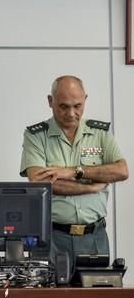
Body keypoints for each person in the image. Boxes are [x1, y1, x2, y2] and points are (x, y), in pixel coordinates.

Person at [20, 75, 129, 264]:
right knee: (50, 294)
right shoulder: (36, 135)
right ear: (50, 101)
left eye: (77, 106)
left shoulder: (100, 133)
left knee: (96, 293)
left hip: (94, 237)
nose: (71, 113)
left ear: (85, 99)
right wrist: (90, 187)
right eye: (63, 106)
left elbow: (121, 171)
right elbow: (40, 183)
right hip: (53, 238)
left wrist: (72, 172)